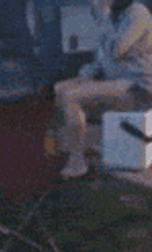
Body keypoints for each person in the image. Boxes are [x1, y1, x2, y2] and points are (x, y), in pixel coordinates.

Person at [54, 0, 152, 178]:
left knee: (71, 97)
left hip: (138, 87)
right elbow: (101, 57)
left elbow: (116, 51)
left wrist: (103, 15)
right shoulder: (118, 15)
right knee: (60, 89)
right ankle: (82, 145)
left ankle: (77, 162)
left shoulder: (138, 13)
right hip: (119, 80)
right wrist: (85, 75)